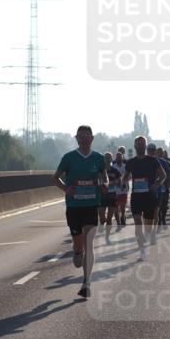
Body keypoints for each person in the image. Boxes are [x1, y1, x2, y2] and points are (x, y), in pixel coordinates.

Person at [53, 126, 107, 298]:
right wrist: (65, 188)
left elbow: (103, 177)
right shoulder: (69, 158)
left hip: (91, 206)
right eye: (81, 136)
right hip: (74, 207)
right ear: (76, 138)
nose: (84, 139)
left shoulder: (98, 158)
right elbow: (55, 177)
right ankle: (77, 252)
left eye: (87, 136)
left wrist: (103, 184)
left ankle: (86, 283)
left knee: (89, 243)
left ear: (92, 138)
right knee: (79, 245)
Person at [123, 136, 165, 260]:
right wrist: (123, 182)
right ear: (135, 146)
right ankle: (142, 251)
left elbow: (163, 175)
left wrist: (156, 184)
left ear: (145, 146)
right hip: (136, 197)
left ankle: (146, 240)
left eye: (143, 144)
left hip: (149, 197)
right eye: (138, 144)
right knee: (137, 223)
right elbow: (125, 177)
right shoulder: (131, 162)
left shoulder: (153, 160)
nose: (141, 146)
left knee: (147, 227)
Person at [100, 151, 121, 244]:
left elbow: (119, 181)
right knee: (102, 218)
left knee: (109, 218)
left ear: (111, 159)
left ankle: (107, 238)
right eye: (106, 157)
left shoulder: (114, 170)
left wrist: (113, 183)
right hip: (102, 196)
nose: (107, 159)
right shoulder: (100, 170)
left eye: (109, 157)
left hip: (112, 195)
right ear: (103, 159)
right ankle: (101, 224)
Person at [154, 147, 170, 231]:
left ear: (162, 153)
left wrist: (168, 183)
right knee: (157, 205)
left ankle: (163, 219)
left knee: (164, 205)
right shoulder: (152, 162)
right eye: (157, 152)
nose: (159, 154)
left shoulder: (167, 163)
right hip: (155, 187)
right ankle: (159, 221)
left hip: (164, 187)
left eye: (160, 152)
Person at [113, 150, 128, 229]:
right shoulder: (113, 167)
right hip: (115, 191)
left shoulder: (125, 167)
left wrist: (124, 183)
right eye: (117, 157)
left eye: (120, 157)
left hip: (123, 190)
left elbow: (128, 177)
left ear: (122, 158)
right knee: (116, 208)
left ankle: (123, 217)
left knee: (122, 207)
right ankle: (118, 223)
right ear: (115, 158)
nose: (119, 158)